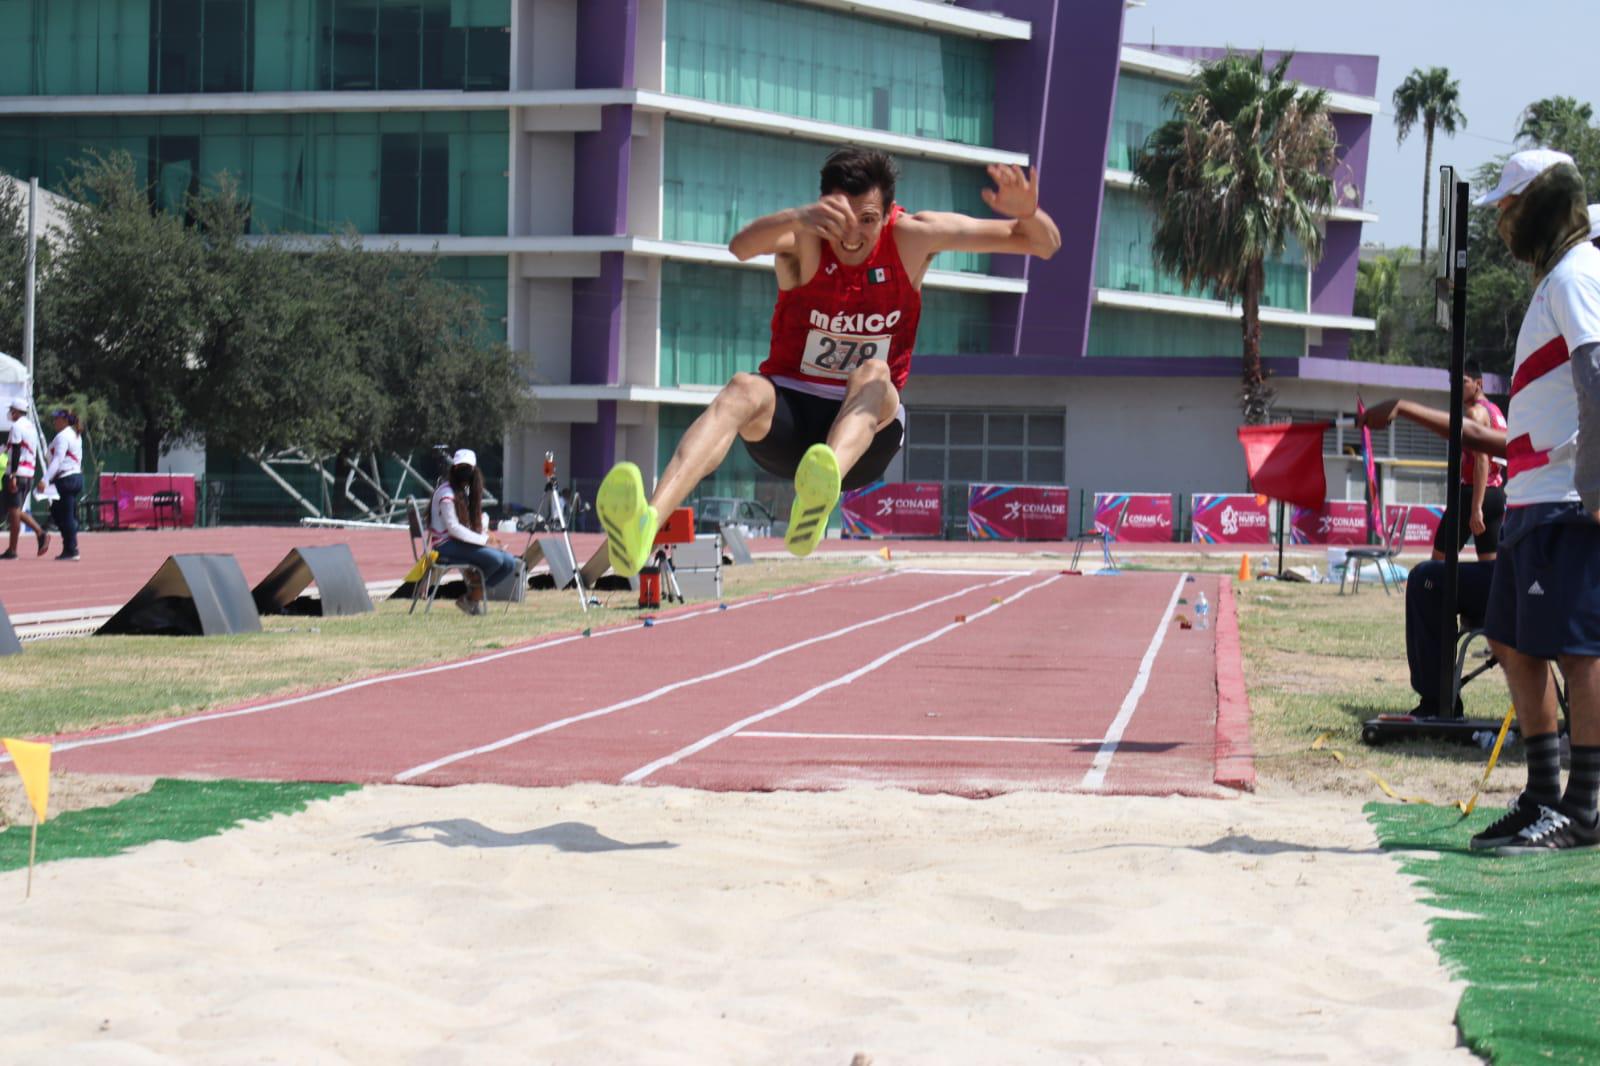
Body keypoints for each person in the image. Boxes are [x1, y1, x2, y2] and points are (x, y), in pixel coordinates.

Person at [593, 146, 1061, 576]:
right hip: (792, 421)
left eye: (868, 219)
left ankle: (820, 490)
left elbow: (1042, 244)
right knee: (742, 387)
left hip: (866, 433)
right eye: (841, 217)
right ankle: (646, 525)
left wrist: (1028, 213)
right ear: (823, 208)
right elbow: (740, 247)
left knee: (872, 372)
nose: (852, 235)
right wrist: (800, 217)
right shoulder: (804, 240)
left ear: (888, 214)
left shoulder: (913, 238)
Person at [1455, 148, 1600, 853]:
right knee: (1511, 639)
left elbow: (1596, 375)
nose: (1503, 221)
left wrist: (1598, 482)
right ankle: (1543, 792)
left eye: (1510, 206)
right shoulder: (1556, 278)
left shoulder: (1577, 275)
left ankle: (1584, 806)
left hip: (1566, 498)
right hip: (1529, 501)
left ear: (1540, 204)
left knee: (1578, 649)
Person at [1431, 359, 1507, 563]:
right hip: (1495, 494)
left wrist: (1476, 508)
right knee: (1490, 570)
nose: (1456, 387)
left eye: (1462, 382)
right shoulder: (1496, 412)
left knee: (1437, 565)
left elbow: (1482, 461)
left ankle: (1439, 595)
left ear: (1478, 384)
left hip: (1474, 495)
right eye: (1452, 382)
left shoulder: (1475, 413)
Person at [428, 448, 518, 616]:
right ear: (453, 469)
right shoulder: (446, 493)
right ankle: (473, 592)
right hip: (444, 546)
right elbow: (454, 529)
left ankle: (472, 597)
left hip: (459, 543)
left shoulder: (465, 491)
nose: (464, 472)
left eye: (467, 468)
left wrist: (485, 535)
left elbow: (470, 523)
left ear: (474, 470)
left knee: (509, 563)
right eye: (461, 467)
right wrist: (484, 541)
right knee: (496, 559)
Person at [2, 396, 48, 560]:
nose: (9, 413)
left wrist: (13, 475)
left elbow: (15, 451)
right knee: (15, 510)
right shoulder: (31, 427)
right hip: (29, 474)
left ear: (15, 412)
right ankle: (39, 533)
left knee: (14, 512)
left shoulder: (16, 427)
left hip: (17, 473)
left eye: (11, 410)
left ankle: (14, 549)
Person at [41, 408, 84, 561]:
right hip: (74, 477)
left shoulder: (63, 436)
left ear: (65, 420)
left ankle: (71, 549)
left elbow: (58, 460)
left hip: (66, 478)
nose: (54, 421)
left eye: (57, 418)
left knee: (64, 515)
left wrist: (45, 480)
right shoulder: (75, 435)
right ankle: (69, 546)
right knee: (61, 513)